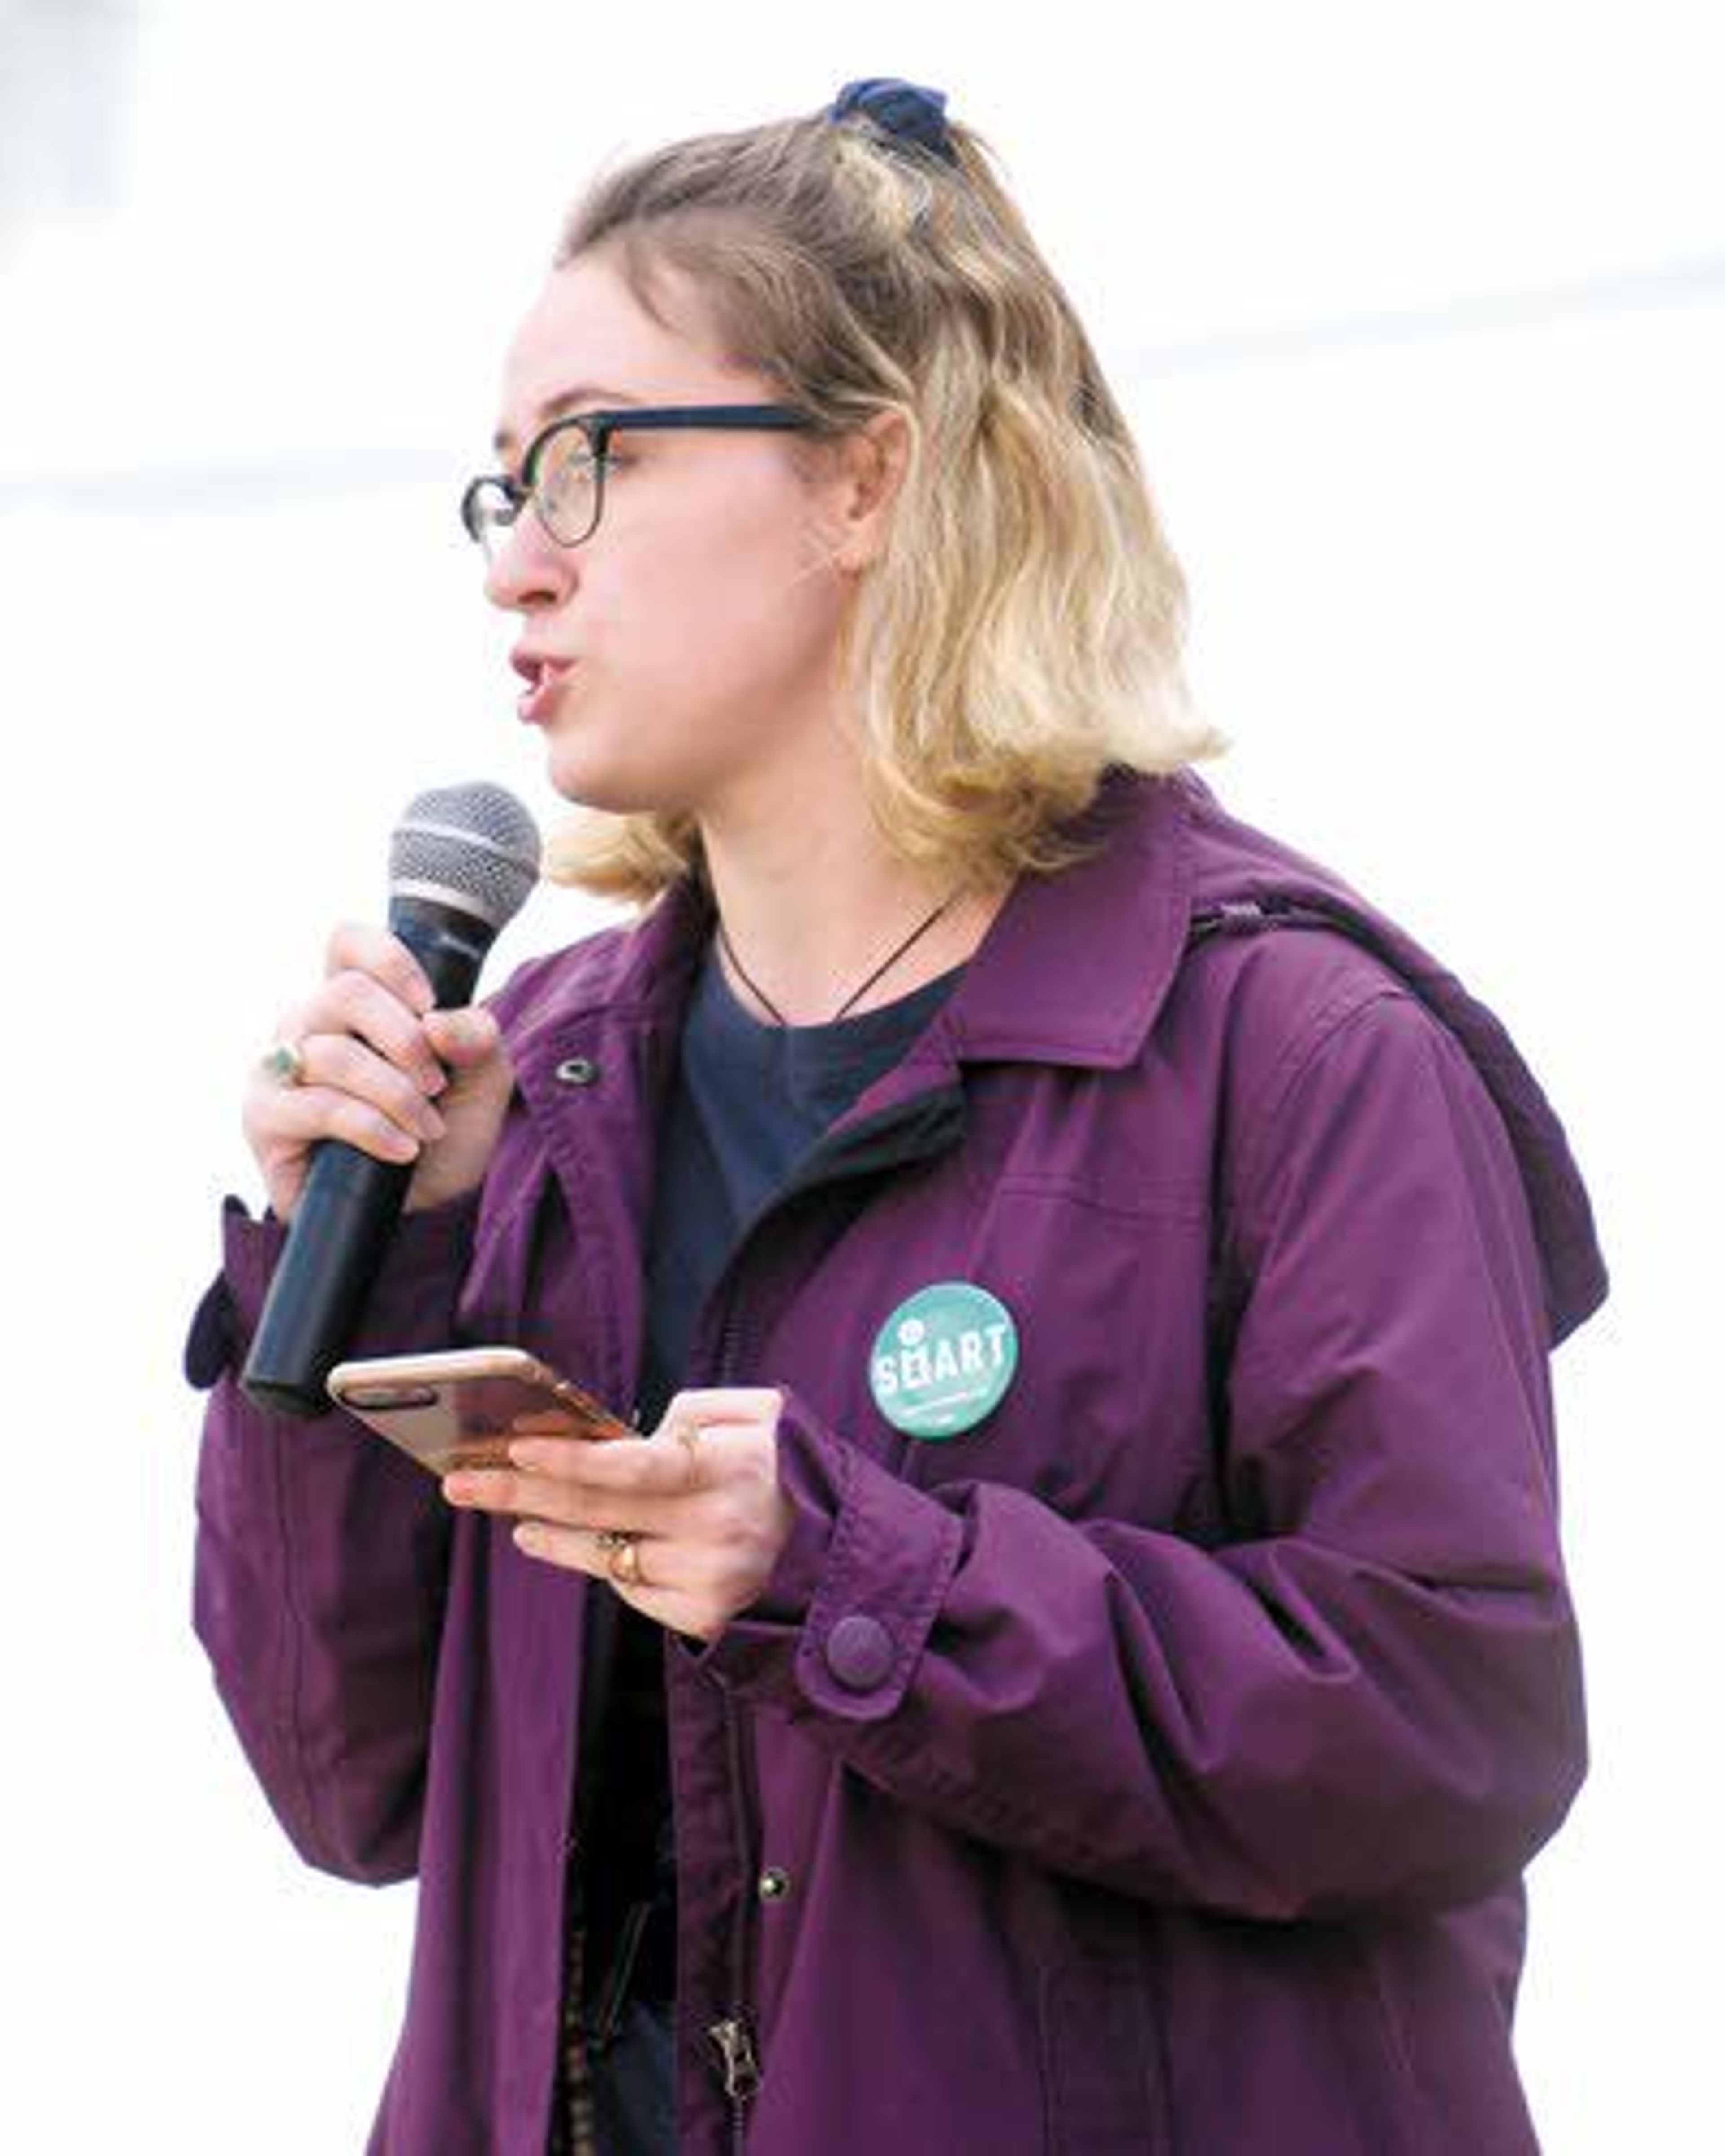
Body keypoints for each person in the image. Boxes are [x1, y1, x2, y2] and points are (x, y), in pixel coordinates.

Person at [186, 76, 1608, 2156]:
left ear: (867, 478)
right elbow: (350, 1786)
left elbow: (1458, 1722)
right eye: (500, 492)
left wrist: (863, 1575)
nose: (521, 565)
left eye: (588, 459)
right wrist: (369, 1259)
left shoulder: (1292, 1053)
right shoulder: (545, 1087)